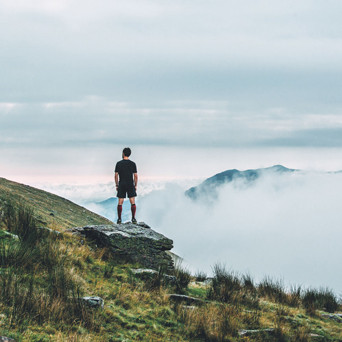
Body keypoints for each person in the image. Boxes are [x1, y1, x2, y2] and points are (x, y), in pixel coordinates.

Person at [114, 147, 138, 224]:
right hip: (130, 183)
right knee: (132, 201)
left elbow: (116, 175)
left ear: (123, 153)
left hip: (122, 183)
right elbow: (135, 176)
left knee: (120, 202)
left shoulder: (118, 163)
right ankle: (133, 218)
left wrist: (117, 185)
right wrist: (135, 185)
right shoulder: (133, 164)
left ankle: (119, 219)